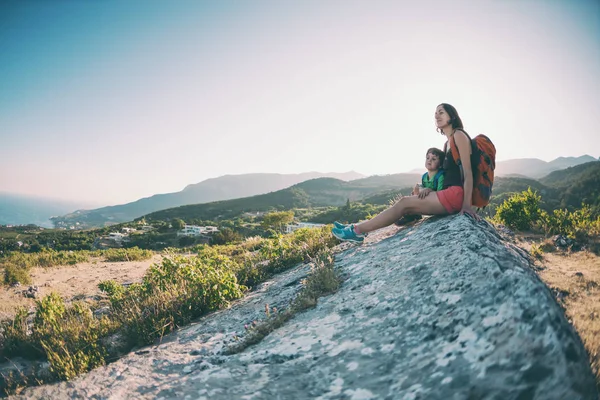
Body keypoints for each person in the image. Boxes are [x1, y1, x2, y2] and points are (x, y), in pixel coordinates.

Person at [332, 103, 479, 243]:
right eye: (435, 113)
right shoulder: (447, 143)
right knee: (409, 200)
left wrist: (466, 205)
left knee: (404, 203)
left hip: (455, 195)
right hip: (446, 194)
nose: (437, 116)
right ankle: (355, 227)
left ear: (452, 116)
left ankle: (357, 231)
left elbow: (467, 171)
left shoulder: (459, 135)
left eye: (441, 112)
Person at [394, 147, 446, 226]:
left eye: (434, 159)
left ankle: (414, 213)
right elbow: (422, 190)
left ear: (440, 164)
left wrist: (429, 190)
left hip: (435, 203)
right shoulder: (424, 176)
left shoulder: (440, 176)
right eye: (428, 158)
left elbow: (441, 194)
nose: (429, 160)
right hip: (425, 201)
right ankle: (412, 215)